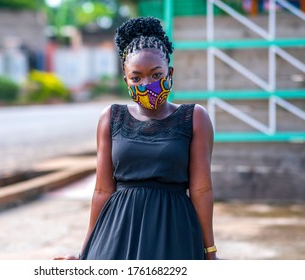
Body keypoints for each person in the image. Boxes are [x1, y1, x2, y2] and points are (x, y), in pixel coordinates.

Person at [54, 16, 218, 260]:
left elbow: (201, 190)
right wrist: (84, 253)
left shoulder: (194, 118)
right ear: (126, 80)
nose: (147, 84)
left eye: (156, 75)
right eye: (136, 78)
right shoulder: (110, 117)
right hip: (117, 231)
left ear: (170, 72)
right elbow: (101, 190)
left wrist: (209, 252)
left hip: (172, 232)